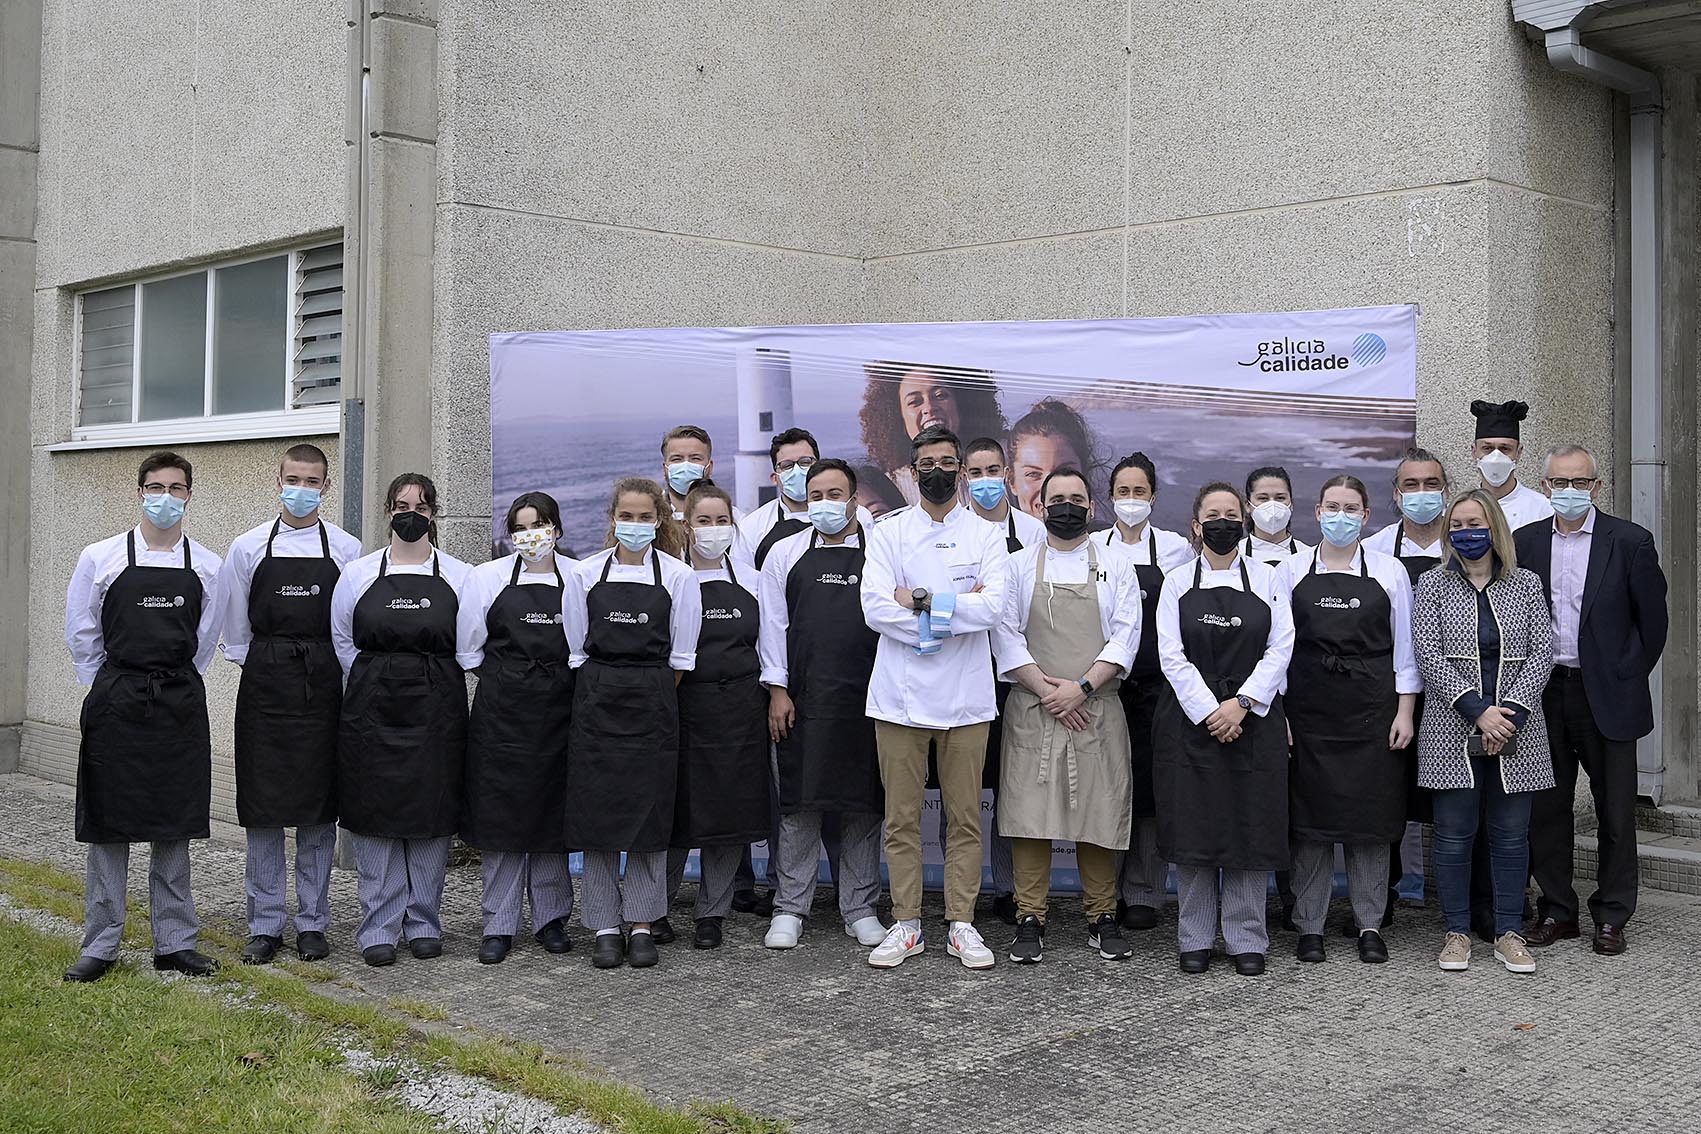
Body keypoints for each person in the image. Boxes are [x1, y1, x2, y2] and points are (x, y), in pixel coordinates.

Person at [61, 452, 224, 983]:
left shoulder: (207, 565)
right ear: (139, 493)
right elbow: (82, 632)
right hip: (117, 699)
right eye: (156, 487)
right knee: (109, 823)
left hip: (177, 701)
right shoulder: (100, 557)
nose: (166, 497)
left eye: (177, 488)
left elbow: (205, 641)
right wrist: (109, 683)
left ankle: (175, 941)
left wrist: (169, 677)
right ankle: (101, 943)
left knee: (173, 823)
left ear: (189, 496)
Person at [861, 426, 1011, 970]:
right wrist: (950, 609)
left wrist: (920, 601)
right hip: (898, 699)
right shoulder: (888, 534)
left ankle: (961, 924)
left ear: (962, 468)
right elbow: (876, 610)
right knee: (900, 818)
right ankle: (906, 924)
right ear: (912, 469)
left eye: (948, 461)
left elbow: (993, 608)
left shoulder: (987, 536)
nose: (938, 471)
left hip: (967, 698)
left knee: (965, 817)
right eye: (927, 462)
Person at [1516, 445, 1668, 957]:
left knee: (1616, 813)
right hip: (1542, 691)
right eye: (1559, 483)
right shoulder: (1524, 543)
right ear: (1545, 487)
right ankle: (1558, 911)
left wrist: (1624, 674)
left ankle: (1612, 916)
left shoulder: (1630, 541)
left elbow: (1653, 625)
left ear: (1597, 488)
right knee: (1547, 809)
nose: (1569, 492)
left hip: (1607, 694)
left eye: (1579, 483)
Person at [217, 443, 362, 965]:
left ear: (327, 487)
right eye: (292, 479)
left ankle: (313, 923)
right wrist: (268, 664)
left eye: (312, 481)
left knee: (318, 811)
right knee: (264, 810)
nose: (301, 489)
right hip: (265, 685)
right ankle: (264, 924)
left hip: (323, 687)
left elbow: (347, 628)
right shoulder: (247, 547)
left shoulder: (347, 549)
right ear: (277, 481)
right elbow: (234, 631)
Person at [993, 467, 1141, 964]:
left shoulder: (1117, 565)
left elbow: (1126, 634)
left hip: (1095, 707)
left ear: (1091, 508)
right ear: (1039, 506)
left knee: (1097, 813)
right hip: (1034, 708)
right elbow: (1005, 634)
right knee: (1030, 816)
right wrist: (1047, 690)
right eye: (1057, 498)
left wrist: (1080, 688)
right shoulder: (1015, 566)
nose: (1067, 506)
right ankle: (1029, 916)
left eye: (1077, 498)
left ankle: (1102, 915)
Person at [1153, 482, 1294, 977]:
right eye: (1213, 514)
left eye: (1232, 513)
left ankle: (1245, 937)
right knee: (1195, 830)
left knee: (1249, 829)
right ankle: (1193, 936)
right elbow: (1171, 655)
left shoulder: (1268, 578)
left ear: (1245, 521)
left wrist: (1242, 704)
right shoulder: (1175, 582)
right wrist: (1209, 710)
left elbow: (1281, 647)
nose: (1223, 521)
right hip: (1191, 723)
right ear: (1196, 524)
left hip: (1253, 720)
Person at [332, 473, 473, 967]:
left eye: (420, 506)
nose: (409, 513)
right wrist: (382, 676)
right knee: (375, 816)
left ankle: (424, 922)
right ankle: (379, 926)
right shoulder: (358, 574)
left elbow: (469, 644)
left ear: (434, 514)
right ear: (387, 511)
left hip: (438, 710)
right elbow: (343, 641)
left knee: (431, 815)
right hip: (373, 709)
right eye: (400, 505)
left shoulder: (460, 575)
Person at [562, 478, 702, 970]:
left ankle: (642, 923)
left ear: (661, 520)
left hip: (654, 704)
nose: (636, 525)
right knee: (598, 817)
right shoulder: (583, 574)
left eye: (646, 517)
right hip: (597, 702)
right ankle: (603, 924)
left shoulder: (680, 578)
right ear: (612, 518)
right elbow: (577, 649)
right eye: (628, 515)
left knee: (649, 816)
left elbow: (682, 657)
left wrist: (648, 693)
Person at [1412, 490, 1554, 975]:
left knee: (1512, 837)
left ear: (1494, 528)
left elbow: (1542, 652)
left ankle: (1509, 933)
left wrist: (1507, 712)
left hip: (1518, 728)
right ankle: (1456, 932)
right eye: (1456, 526)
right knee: (1453, 836)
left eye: (1474, 523)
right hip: (1451, 727)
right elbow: (1427, 654)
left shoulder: (1526, 584)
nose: (1465, 533)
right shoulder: (1432, 585)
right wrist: (1478, 711)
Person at [1280, 475, 1419, 966]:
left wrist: (1405, 711)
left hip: (1373, 713)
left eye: (1351, 507)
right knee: (1310, 826)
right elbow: (1278, 651)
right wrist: (1279, 713)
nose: (1341, 515)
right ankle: (1310, 926)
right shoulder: (1290, 571)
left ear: (1366, 516)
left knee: (1372, 824)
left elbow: (1406, 647)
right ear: (1317, 512)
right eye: (1332, 506)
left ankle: (1369, 924)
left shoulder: (1389, 571)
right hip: (1308, 713)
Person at [758, 459, 888, 951]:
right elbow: (773, 626)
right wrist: (777, 690)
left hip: (870, 698)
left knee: (863, 806)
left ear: (855, 499)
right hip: (802, 700)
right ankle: (790, 908)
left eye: (836, 494)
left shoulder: (880, 551)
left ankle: (860, 908)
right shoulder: (783, 554)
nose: (825, 503)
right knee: (799, 805)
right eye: (816, 495)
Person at [455, 491, 577, 965]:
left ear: (557, 529)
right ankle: (498, 925)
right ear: (510, 535)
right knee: (501, 818)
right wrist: (513, 679)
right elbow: (469, 650)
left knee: (550, 817)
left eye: (540, 524)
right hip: (502, 713)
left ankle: (551, 920)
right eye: (521, 527)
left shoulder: (579, 578)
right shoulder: (486, 578)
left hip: (562, 712)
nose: (532, 535)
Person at [666, 481, 772, 950]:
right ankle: (658, 907)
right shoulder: (670, 577)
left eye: (721, 521)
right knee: (675, 815)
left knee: (730, 815)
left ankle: (713, 911)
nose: (713, 530)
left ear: (734, 525)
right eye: (703, 522)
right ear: (686, 526)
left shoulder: (753, 580)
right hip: (684, 709)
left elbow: (771, 647)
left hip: (742, 710)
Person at [1098, 451, 1193, 930]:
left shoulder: (1177, 550)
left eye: (1139, 492)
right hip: (1105, 685)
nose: (1131, 500)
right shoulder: (1094, 547)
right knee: (1109, 788)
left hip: (1158, 688)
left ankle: (1144, 893)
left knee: (1151, 794)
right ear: (1109, 497)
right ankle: (1104, 891)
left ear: (1153, 497)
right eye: (1123, 492)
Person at [1362, 448, 1453, 926]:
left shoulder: (1465, 546)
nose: (1422, 494)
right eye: (1411, 485)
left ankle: (1467, 902)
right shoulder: (1375, 550)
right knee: (1390, 794)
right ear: (1396, 495)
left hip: (1457, 696)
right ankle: (1387, 898)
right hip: (1393, 695)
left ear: (1446, 490)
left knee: (1458, 798)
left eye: (1431, 484)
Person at [961, 435, 1044, 920]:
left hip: (1020, 679)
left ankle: (1010, 890)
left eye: (994, 470)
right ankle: (963, 894)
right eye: (976, 472)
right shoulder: (958, 533)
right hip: (967, 675)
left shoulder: (1033, 533)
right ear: (963, 479)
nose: (986, 481)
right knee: (966, 794)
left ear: (1008, 476)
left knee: (1012, 790)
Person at [859, 361, 1005, 507]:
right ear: (899, 420)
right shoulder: (890, 486)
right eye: (915, 402)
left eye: (940, 395)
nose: (929, 407)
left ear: (960, 405)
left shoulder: (1006, 459)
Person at [739, 427, 874, 572]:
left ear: (819, 466)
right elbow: (746, 583)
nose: (797, 471)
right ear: (774, 478)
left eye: (805, 462)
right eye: (787, 466)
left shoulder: (859, 515)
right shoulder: (752, 528)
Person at [1008, 398, 1104, 521]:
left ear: (1084, 475)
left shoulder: (1105, 540)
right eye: (1034, 474)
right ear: (1012, 481)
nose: (1049, 488)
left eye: (1064, 472)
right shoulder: (991, 539)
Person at [1469, 399, 1553, 531]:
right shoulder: (1461, 510)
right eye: (1487, 448)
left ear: (1518, 453)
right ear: (1474, 452)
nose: (1496, 457)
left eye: (1505, 449)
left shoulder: (1543, 509)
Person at [659, 424, 744, 525]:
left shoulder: (736, 521)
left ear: (709, 467)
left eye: (695, 458)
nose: (686, 466)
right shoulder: (648, 515)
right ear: (665, 469)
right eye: (677, 459)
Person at [1243, 465, 1312, 567]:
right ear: (1248, 505)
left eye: (1280, 498)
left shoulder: (1309, 556)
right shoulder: (1235, 555)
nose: (1272, 504)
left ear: (1291, 504)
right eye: (1263, 498)